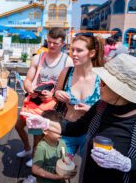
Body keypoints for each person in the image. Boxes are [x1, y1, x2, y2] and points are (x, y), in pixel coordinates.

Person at [23, 54, 136, 183]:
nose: (100, 84)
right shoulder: (101, 106)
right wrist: (46, 123)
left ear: (119, 91)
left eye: (104, 82)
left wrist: (127, 164)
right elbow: (76, 128)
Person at [16, 28, 73, 167]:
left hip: (51, 104)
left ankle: (36, 161)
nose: (51, 45)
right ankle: (27, 149)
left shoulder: (67, 61)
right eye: (49, 42)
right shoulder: (38, 57)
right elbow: (28, 79)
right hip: (34, 100)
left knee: (38, 134)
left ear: (63, 44)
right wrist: (29, 88)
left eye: (55, 43)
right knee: (18, 126)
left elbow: (68, 87)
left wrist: (53, 94)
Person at [53, 33, 104, 156]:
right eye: (72, 50)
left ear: (92, 53)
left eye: (79, 50)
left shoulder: (102, 77)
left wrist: (91, 110)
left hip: (90, 134)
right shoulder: (66, 72)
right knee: (60, 170)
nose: (74, 54)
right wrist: (58, 93)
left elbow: (110, 108)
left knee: (86, 173)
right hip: (66, 130)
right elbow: (55, 93)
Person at [29, 110, 76, 183]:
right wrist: (57, 177)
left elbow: (65, 158)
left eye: (61, 130)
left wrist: (70, 167)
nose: (60, 133)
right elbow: (35, 169)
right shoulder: (42, 148)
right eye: (56, 131)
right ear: (45, 131)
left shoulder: (62, 143)